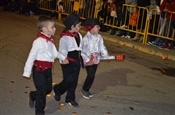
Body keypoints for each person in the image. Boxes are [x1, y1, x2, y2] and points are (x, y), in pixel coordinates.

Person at [23, 15, 67, 115]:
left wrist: (63, 58)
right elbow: (31, 56)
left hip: (48, 70)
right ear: (44, 29)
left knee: (48, 89)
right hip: (39, 70)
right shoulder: (38, 42)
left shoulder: (50, 41)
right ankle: (39, 111)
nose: (55, 29)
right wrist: (27, 71)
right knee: (42, 90)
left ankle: (33, 95)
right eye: (52, 27)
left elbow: (55, 53)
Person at [53, 13, 83, 107]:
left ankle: (70, 98)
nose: (80, 27)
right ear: (72, 26)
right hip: (68, 62)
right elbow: (62, 51)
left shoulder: (79, 35)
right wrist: (63, 58)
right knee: (68, 80)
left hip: (77, 62)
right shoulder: (65, 38)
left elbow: (81, 48)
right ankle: (57, 89)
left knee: (74, 81)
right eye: (79, 25)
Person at [80, 18, 109, 99]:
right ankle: (84, 89)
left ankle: (87, 89)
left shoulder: (99, 37)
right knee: (91, 75)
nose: (99, 28)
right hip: (89, 60)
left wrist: (105, 54)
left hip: (96, 59)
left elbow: (102, 46)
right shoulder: (86, 39)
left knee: (92, 75)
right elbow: (82, 51)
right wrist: (88, 59)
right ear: (91, 27)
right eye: (97, 26)